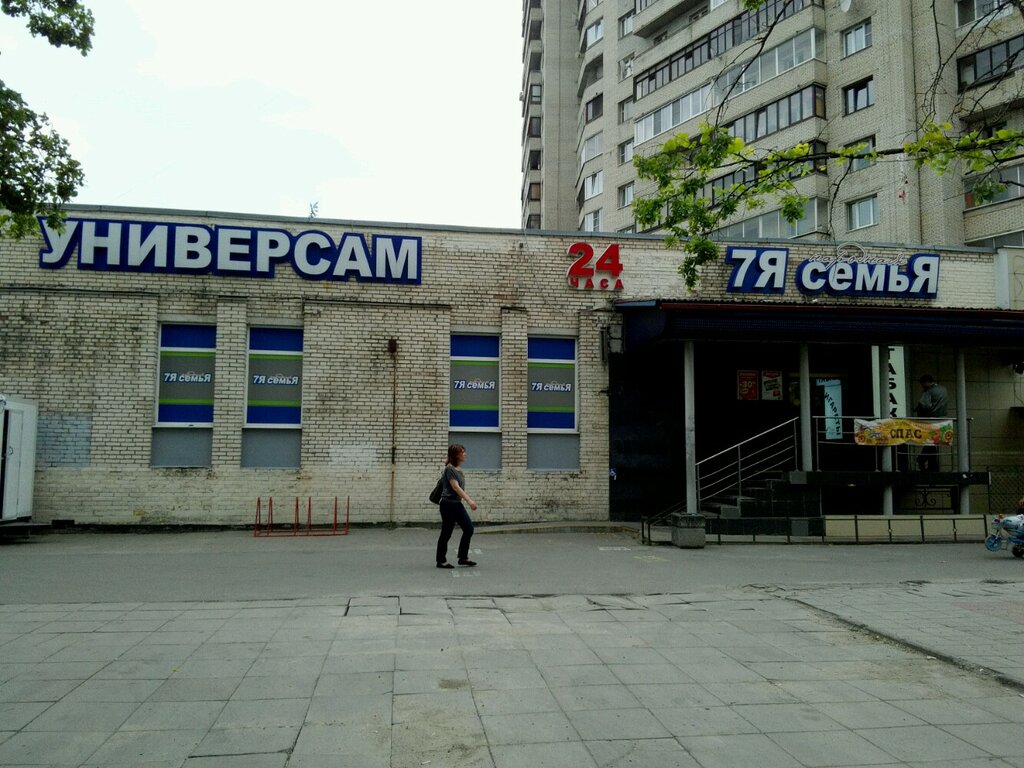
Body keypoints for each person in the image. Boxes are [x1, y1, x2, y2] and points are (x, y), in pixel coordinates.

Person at [436, 444, 477, 568]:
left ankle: (463, 557)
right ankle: (441, 561)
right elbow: (455, 487)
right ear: (456, 455)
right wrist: (469, 501)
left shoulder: (457, 469)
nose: (465, 454)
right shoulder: (450, 469)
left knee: (468, 529)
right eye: (462, 452)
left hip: (455, 504)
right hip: (448, 505)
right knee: (447, 532)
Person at [915, 374, 948, 472]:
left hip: (930, 419)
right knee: (933, 442)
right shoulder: (943, 389)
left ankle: (922, 459)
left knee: (930, 442)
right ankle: (933, 465)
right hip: (942, 420)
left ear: (926, 382)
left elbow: (924, 404)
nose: (922, 387)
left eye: (922, 384)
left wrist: (918, 411)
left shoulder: (928, 391)